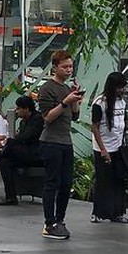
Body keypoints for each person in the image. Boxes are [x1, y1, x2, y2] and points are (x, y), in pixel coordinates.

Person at [37, 50, 83, 240]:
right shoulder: (47, 88)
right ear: (55, 68)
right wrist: (64, 102)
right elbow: (47, 118)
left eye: (71, 66)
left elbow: (75, 116)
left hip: (66, 141)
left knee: (65, 184)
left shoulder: (67, 88)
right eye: (64, 67)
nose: (68, 70)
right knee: (52, 183)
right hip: (51, 142)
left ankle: (60, 219)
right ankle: (49, 223)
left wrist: (76, 100)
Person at [0, 95, 45, 205]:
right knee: (5, 163)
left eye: (19, 109)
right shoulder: (23, 122)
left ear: (26, 108)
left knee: (11, 143)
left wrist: (6, 142)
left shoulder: (37, 119)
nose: (17, 111)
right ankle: (11, 197)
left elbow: (25, 137)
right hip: (24, 153)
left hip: (36, 154)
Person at [90, 72, 128, 224]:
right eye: (119, 87)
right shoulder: (100, 103)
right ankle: (98, 212)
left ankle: (117, 212)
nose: (122, 90)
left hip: (118, 146)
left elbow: (121, 124)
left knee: (118, 181)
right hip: (104, 146)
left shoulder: (122, 102)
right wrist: (103, 150)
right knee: (103, 180)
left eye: (123, 87)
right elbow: (95, 127)